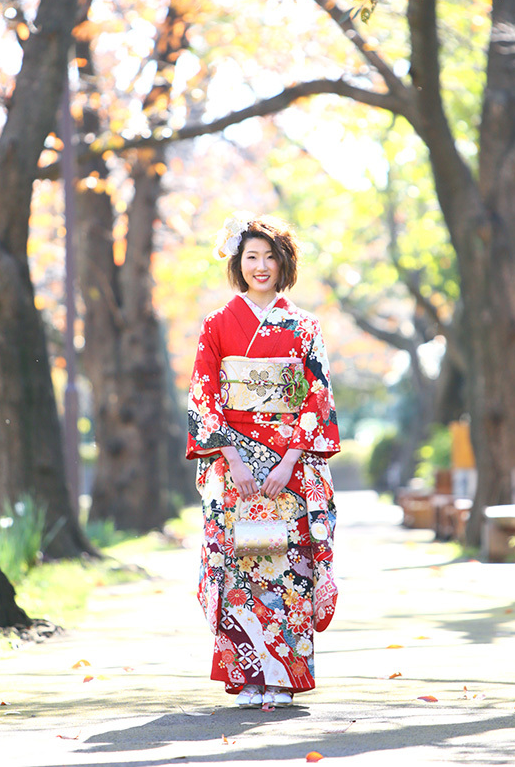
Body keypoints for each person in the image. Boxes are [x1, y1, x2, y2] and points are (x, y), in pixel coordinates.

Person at [186, 212, 340, 709]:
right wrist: (233, 457)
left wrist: (288, 460)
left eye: (270, 256)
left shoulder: (305, 326)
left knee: (288, 564)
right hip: (234, 462)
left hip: (289, 463)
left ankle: (284, 677)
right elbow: (204, 393)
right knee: (241, 563)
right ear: (237, 263)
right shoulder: (217, 324)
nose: (260, 266)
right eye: (251, 256)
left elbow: (316, 396)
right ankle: (249, 677)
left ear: (283, 263)